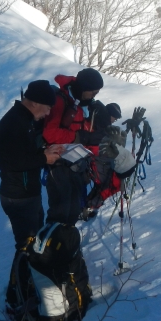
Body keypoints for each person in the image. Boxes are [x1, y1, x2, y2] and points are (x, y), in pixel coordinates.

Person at [0, 80, 63, 249]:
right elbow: (13, 162)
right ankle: (25, 267)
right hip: (19, 196)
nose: (48, 113)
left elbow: (24, 152)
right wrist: (44, 159)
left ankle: (31, 266)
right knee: (28, 247)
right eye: (47, 108)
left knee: (36, 244)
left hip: (27, 193)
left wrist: (45, 151)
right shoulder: (15, 122)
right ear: (35, 103)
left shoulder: (25, 120)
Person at [42, 68, 104, 225]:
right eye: (92, 92)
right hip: (58, 164)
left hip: (76, 163)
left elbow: (87, 134)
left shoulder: (83, 104)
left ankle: (67, 238)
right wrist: (79, 137)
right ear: (83, 87)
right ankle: (54, 239)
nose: (94, 96)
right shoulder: (60, 100)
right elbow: (50, 133)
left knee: (73, 211)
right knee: (60, 212)